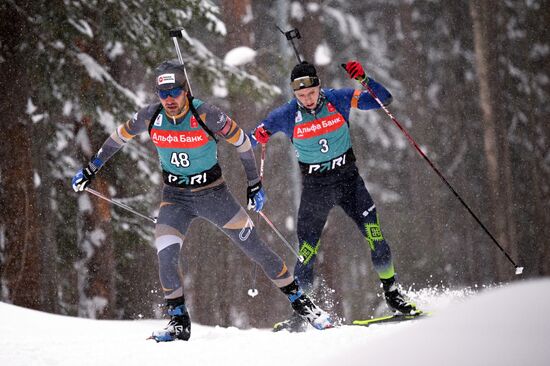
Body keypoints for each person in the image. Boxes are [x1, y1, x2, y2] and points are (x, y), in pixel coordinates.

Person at [71, 60, 333, 341]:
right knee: (166, 254)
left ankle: (304, 305)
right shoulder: (150, 115)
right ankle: (179, 322)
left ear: (185, 90)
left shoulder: (207, 114)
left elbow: (243, 143)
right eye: (163, 93)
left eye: (174, 92)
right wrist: (92, 168)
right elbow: (117, 138)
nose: (169, 99)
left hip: (214, 195)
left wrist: (254, 184)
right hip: (175, 199)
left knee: (255, 249)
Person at [250, 60, 418, 332]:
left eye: (311, 93)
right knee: (306, 252)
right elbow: (248, 140)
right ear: (294, 94)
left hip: (349, 180)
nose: (307, 99)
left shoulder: (337, 99)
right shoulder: (285, 114)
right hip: (316, 188)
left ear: (319, 87)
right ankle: (301, 312)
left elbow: (382, 99)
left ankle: (393, 295)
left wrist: (363, 78)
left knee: (375, 234)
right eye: (301, 95)